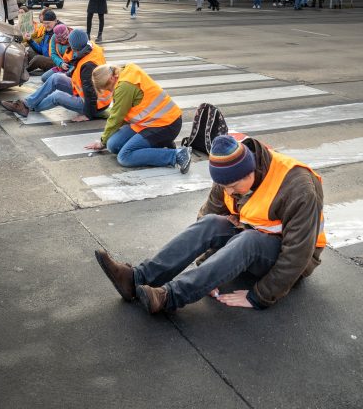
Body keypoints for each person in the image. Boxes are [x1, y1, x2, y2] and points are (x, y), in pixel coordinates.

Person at [94, 134, 326, 315]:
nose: (229, 193)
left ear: (251, 171)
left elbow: (298, 253)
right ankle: (137, 278)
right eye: (224, 187)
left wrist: (260, 296)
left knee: (250, 240)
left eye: (234, 187)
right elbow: (207, 218)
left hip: (294, 259)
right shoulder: (228, 174)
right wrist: (208, 272)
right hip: (253, 237)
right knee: (213, 221)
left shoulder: (298, 187)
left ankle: (169, 298)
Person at [85, 63, 191, 172]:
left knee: (124, 157)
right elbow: (121, 113)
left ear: (111, 78)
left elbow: (116, 118)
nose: (110, 91)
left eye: (108, 87)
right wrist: (106, 140)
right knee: (112, 145)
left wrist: (102, 142)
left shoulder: (124, 87)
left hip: (166, 124)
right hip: (148, 122)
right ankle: (161, 144)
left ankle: (178, 155)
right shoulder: (124, 71)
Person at [0, 29, 111, 121]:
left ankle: (27, 107)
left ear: (75, 48)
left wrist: (87, 115)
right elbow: (79, 72)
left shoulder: (88, 65)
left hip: (94, 105)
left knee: (57, 96)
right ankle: (27, 104)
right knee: (56, 77)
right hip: (87, 95)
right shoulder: (90, 47)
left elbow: (90, 93)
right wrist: (68, 73)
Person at [26, 8, 59, 75]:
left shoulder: (59, 33)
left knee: (38, 59)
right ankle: (21, 67)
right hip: (46, 57)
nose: (46, 26)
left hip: (56, 61)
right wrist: (30, 40)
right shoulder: (47, 32)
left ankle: (24, 71)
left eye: (48, 23)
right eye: (44, 23)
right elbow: (41, 49)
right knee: (29, 52)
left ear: (55, 21)